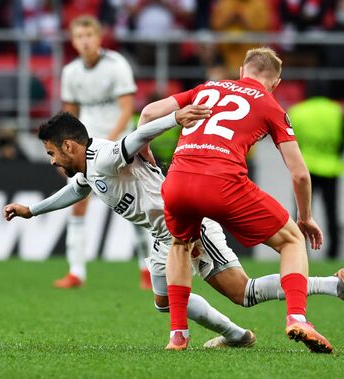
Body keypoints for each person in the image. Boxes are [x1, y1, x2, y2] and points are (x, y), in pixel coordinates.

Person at [3, 110, 344, 349]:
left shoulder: (106, 156)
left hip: (187, 225)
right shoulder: (87, 168)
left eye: (52, 152)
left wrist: (176, 117)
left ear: (69, 145)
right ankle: (253, 326)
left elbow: (137, 135)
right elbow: (77, 188)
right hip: (167, 233)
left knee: (218, 295)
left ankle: (244, 329)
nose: (52, 160)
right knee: (219, 295)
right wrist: (32, 210)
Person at [141, 47, 333, 353]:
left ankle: (178, 335)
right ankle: (297, 317)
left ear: (242, 70)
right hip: (223, 182)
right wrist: (306, 216)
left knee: (180, 244)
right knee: (292, 241)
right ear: (275, 83)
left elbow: (149, 113)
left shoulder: (208, 87)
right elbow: (299, 174)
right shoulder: (270, 104)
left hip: (177, 179)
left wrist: (145, 154)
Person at [57, 15, 151, 289]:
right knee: (77, 204)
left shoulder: (116, 65)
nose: (84, 41)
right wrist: (66, 149)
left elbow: (126, 110)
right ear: (73, 41)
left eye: (89, 35)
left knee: (133, 209)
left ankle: (146, 269)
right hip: (84, 149)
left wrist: (109, 144)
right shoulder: (71, 72)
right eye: (79, 36)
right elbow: (71, 114)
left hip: (118, 147)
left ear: (99, 38)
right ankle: (76, 272)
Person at [287, 81, 344, 259]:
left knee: (300, 213)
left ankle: (298, 249)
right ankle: (333, 252)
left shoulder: (297, 111)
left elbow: (290, 141)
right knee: (332, 212)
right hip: (330, 167)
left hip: (305, 169)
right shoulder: (336, 110)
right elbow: (343, 140)